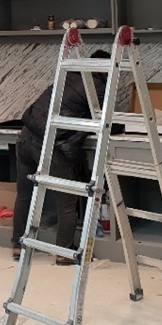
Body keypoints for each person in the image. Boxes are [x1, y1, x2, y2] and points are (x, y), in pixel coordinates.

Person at [11, 50, 114, 265]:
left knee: (24, 195)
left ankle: (18, 245)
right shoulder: (98, 87)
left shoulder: (67, 75)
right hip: (50, 145)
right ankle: (64, 251)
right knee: (67, 199)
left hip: (25, 137)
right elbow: (101, 120)